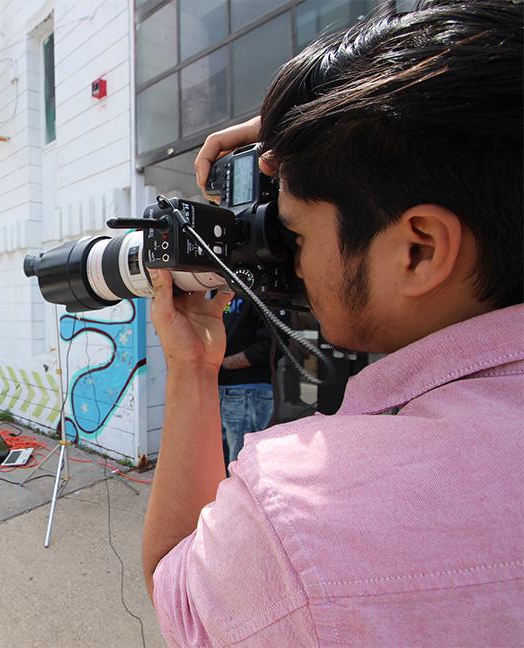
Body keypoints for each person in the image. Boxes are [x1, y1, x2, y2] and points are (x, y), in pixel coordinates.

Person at [143, 2, 523, 645]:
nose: (288, 258)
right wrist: (364, 131)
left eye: (295, 232)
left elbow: (176, 592)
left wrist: (190, 368)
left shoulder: (298, 519)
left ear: (418, 249)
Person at [216, 296, 277, 466]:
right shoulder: (219, 289)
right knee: (223, 461)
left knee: (242, 464)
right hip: (220, 387)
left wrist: (222, 364)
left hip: (247, 390)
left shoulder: (260, 294)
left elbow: (271, 346)